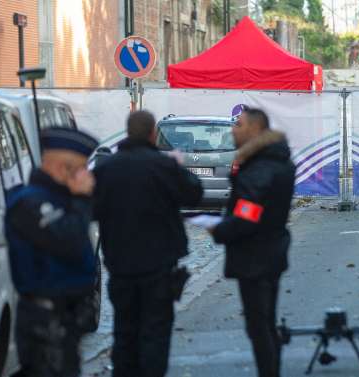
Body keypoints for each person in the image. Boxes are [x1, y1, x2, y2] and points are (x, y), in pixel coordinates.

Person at [93, 110, 203, 377]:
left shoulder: (106, 168)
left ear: (128, 132)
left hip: (121, 266)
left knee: (124, 333)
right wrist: (177, 167)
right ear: (154, 133)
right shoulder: (163, 166)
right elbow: (195, 194)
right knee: (155, 334)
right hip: (159, 266)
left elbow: (91, 210)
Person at [5, 127, 99, 377]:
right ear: (61, 167)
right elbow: (70, 242)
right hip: (45, 321)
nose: (86, 175)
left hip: (67, 317)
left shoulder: (59, 198)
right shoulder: (30, 202)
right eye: (80, 168)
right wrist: (81, 199)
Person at [210, 108, 296, 377]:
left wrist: (219, 229)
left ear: (255, 130)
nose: (233, 129)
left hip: (255, 257)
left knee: (259, 326)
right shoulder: (274, 161)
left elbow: (248, 215)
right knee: (265, 323)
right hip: (270, 251)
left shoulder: (259, 169)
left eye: (239, 124)